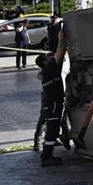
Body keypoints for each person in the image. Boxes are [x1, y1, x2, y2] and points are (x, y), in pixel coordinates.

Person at [33, 27, 69, 166]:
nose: (50, 57)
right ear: (44, 62)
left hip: (53, 102)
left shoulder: (48, 70)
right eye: (48, 57)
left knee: (54, 127)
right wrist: (61, 39)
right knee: (52, 129)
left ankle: (47, 153)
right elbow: (59, 54)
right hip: (53, 104)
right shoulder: (48, 69)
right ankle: (46, 157)